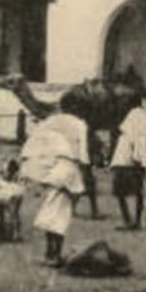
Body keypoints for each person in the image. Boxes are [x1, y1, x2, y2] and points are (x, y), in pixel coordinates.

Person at [21, 110, 90, 266]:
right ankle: (53, 254)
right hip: (61, 188)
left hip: (58, 188)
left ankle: (52, 254)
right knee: (56, 223)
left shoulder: (58, 150)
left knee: (53, 223)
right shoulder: (69, 151)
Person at [109, 93, 146, 230]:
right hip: (131, 156)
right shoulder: (141, 114)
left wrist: (136, 156)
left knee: (121, 191)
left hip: (127, 158)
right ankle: (135, 221)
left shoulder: (135, 114)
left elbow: (136, 136)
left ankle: (129, 221)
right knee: (137, 191)